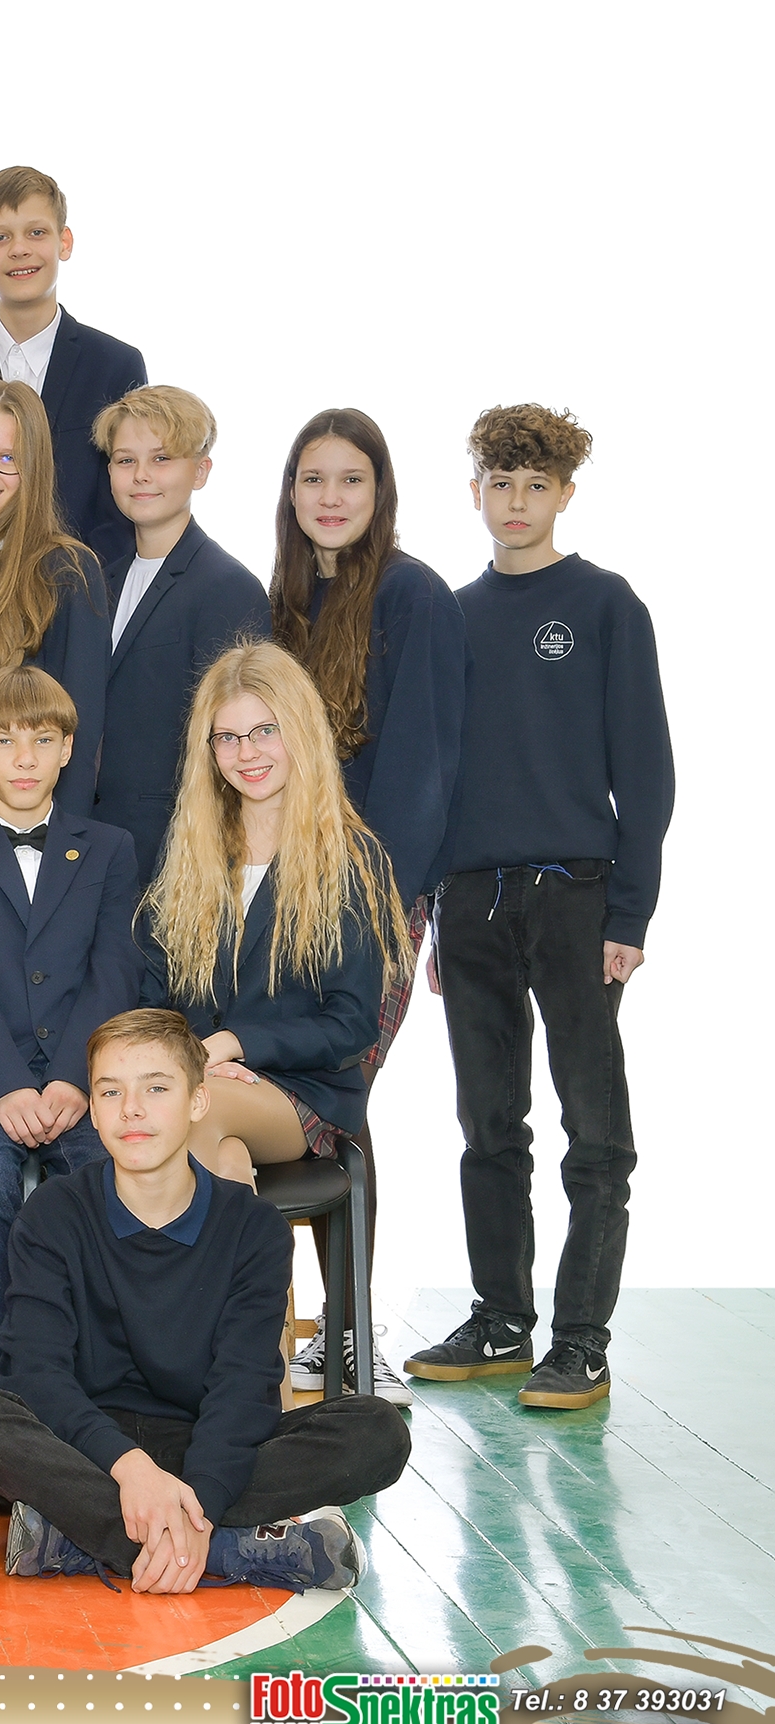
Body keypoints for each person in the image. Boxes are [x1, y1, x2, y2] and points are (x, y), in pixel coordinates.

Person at [0, 1010, 411, 1590]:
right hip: (89, 1446)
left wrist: (201, 1496)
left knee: (377, 1430)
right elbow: (35, 1373)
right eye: (111, 1091)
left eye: (156, 1089)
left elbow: (243, 1387)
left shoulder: (254, 1227)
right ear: (94, 1108)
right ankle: (228, 1550)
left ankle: (90, 1535)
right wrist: (132, 1470)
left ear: (198, 1101)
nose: (131, 1109)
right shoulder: (53, 1214)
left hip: (201, 1441)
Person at [405, 405, 673, 1412]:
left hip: (574, 897)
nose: (514, 502)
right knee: (487, 1125)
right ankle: (499, 1319)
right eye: (498, 482)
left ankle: (580, 1341)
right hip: (472, 898)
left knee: (593, 1132)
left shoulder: (604, 605)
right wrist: (433, 912)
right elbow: (433, 773)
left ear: (563, 493)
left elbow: (643, 770)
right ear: (472, 490)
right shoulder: (449, 614)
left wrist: (628, 916)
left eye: (534, 484)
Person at [139, 644, 412, 1397]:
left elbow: (351, 1026)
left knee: (188, 1114)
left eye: (265, 731)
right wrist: (192, 1055)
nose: (247, 753)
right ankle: (256, 1372)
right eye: (228, 737)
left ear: (299, 732)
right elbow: (158, 988)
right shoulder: (191, 852)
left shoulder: (349, 857)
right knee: (220, 1158)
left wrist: (235, 1045)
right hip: (209, 1087)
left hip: (305, 1093)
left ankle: (191, 1359)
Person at [0, 666, 140, 1367]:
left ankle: (99, 1364)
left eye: (42, 740)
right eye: (4, 740)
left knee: (111, 1171)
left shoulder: (110, 848)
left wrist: (73, 1077)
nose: (24, 758)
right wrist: (7, 1084)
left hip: (81, 1069)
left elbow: (113, 971)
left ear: (67, 749)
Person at [267, 407, 464, 959]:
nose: (330, 498)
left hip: (372, 898)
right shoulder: (285, 603)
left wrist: (374, 906)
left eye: (351, 480)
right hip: (288, 885)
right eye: (314, 479)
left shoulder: (412, 595)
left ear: (381, 492)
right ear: (291, 492)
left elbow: (420, 776)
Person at [0, 166, 147, 569]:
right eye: (0, 237)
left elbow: (124, 502)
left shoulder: (116, 365)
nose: (19, 249)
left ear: (64, 242)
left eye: (36, 232)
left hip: (74, 585)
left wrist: (77, 585)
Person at [87, 385, 269, 877]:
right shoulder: (99, 579)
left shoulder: (228, 587)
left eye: (162, 458)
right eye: (125, 460)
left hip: (178, 853)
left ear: (201, 471)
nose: (141, 475)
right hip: (93, 843)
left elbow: (232, 742)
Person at [0, 379, 110, 817]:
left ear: (34, 467)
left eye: (8, 458)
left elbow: (80, 732)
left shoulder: (68, 571)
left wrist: (62, 844)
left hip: (19, 828)